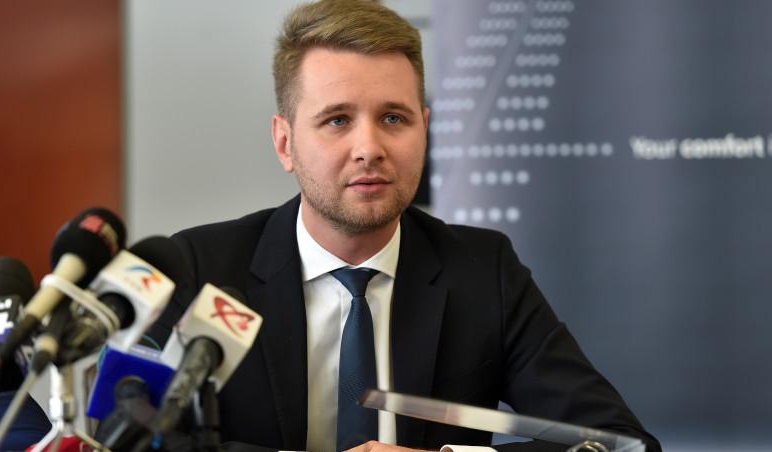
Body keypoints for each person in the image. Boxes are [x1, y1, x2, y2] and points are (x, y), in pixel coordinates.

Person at [149, 1, 662, 451]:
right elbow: (132, 437)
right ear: (285, 143)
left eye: (393, 118)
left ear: (425, 128)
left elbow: (619, 442)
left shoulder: (483, 272)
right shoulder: (201, 269)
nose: (369, 148)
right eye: (337, 120)